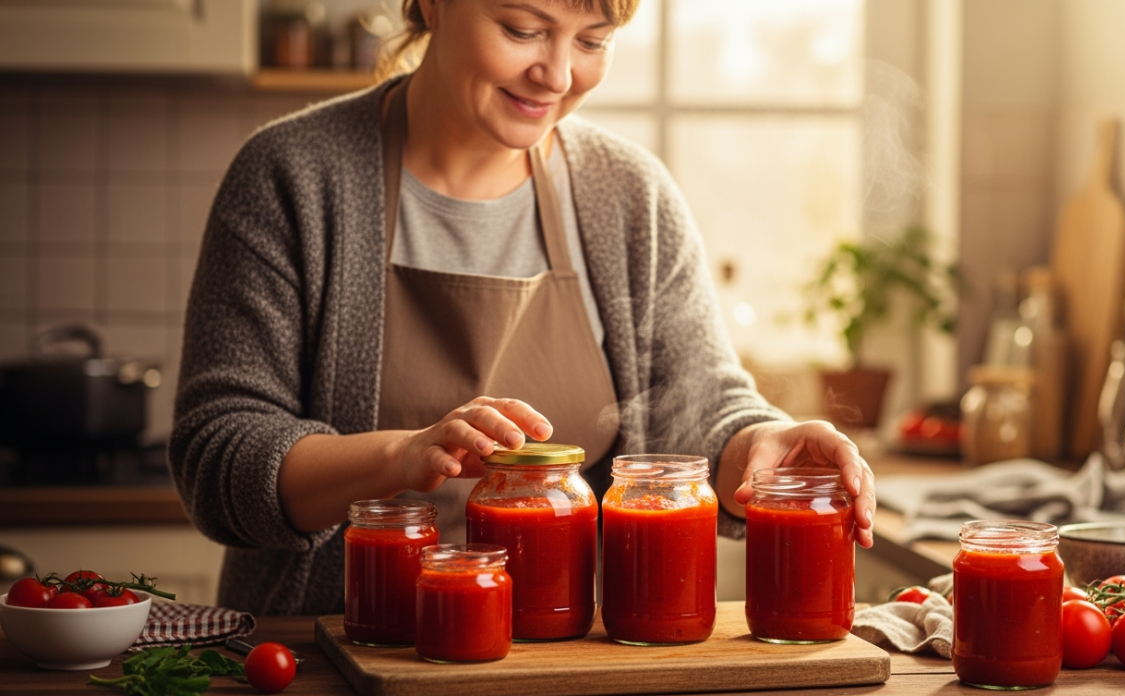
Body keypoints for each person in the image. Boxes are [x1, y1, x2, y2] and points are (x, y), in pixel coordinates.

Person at [170, 0, 876, 616]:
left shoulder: (629, 196)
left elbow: (696, 407)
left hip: (562, 655)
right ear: (434, 4)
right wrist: (403, 454)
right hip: (329, 651)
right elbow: (218, 455)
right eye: (523, 29)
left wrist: (759, 445)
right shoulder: (290, 175)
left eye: (592, 40)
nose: (559, 74)